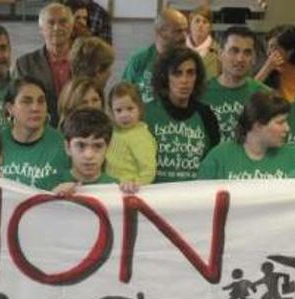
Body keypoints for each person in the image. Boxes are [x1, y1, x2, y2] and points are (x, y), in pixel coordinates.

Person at [144, 46, 220, 182]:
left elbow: (215, 162)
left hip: (195, 197)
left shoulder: (206, 114)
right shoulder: (146, 113)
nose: (184, 80)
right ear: (165, 76)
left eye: (190, 73)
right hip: (155, 198)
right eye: (177, 73)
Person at [199, 91, 295, 180]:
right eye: (280, 122)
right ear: (258, 125)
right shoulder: (219, 157)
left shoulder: (293, 157)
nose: (287, 128)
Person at [0, 77, 70, 189]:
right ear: (10, 108)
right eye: (26, 102)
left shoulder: (63, 145)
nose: (35, 108)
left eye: (41, 101)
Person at [201, 26, 270, 142]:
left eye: (247, 53)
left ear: (254, 58)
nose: (240, 59)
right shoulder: (201, 93)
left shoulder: (265, 96)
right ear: (220, 54)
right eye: (234, 51)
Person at [14, 3, 75, 126]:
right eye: (51, 23)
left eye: (63, 22)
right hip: (41, 129)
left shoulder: (87, 60)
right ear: (41, 30)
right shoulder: (25, 64)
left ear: (72, 26)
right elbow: (19, 103)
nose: (57, 27)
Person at [122, 8, 188, 103]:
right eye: (178, 31)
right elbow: (123, 96)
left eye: (186, 31)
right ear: (161, 32)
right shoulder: (139, 60)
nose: (184, 36)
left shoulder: (191, 61)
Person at [48, 107, 117, 196]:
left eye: (98, 146)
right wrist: (50, 198)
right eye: (81, 145)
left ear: (108, 148)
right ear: (67, 147)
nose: (89, 155)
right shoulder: (48, 184)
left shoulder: (115, 188)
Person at [106, 82, 157, 190]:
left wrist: (136, 185)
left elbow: (149, 170)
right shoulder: (112, 132)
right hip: (109, 188)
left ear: (140, 108)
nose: (124, 115)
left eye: (130, 108)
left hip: (130, 191)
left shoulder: (141, 137)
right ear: (111, 112)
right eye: (118, 110)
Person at [254, 24, 295, 103]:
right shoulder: (268, 73)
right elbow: (246, 97)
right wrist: (266, 69)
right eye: (268, 47)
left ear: (290, 51)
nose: (268, 53)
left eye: (274, 48)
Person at [185, 7, 220, 79]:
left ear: (210, 27)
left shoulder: (219, 52)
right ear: (190, 25)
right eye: (197, 21)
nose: (201, 25)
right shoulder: (177, 49)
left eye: (205, 22)